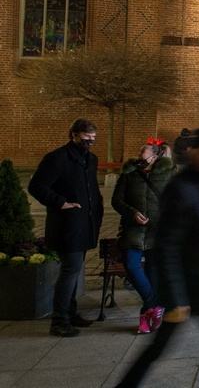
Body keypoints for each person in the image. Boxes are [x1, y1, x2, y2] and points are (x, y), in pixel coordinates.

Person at [115, 127, 199, 388]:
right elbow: (168, 246)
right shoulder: (181, 188)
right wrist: (175, 300)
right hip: (187, 288)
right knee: (158, 349)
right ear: (197, 152)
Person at [28, 118, 103, 337]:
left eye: (93, 139)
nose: (89, 142)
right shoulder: (57, 158)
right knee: (70, 270)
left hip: (85, 223)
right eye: (86, 138)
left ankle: (70, 313)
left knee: (75, 269)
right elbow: (37, 186)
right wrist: (61, 202)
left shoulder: (91, 159)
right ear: (74, 135)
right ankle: (59, 320)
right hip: (67, 224)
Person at [112, 138, 176, 333]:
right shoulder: (129, 174)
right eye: (139, 152)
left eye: (144, 153)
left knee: (153, 274)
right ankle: (154, 305)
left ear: (155, 157)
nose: (140, 156)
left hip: (157, 232)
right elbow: (117, 200)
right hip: (134, 229)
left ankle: (146, 319)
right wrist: (132, 213)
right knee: (131, 266)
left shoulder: (168, 174)